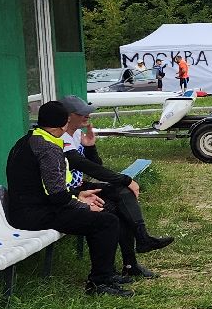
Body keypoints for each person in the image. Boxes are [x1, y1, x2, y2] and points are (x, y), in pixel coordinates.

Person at [1, 101, 132, 297]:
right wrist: (82, 206)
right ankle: (99, 283)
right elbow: (56, 195)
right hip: (33, 215)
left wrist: (78, 196)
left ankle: (107, 274)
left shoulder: (30, 139)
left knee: (106, 213)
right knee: (106, 221)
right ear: (63, 125)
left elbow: (48, 189)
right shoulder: (47, 148)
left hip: (29, 209)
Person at [57, 95, 175, 279]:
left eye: (88, 111)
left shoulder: (77, 134)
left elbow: (95, 163)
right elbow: (83, 165)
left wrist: (90, 146)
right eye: (82, 112)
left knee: (123, 194)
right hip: (68, 190)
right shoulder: (61, 137)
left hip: (80, 184)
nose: (88, 115)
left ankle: (138, 247)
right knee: (116, 208)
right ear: (67, 116)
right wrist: (125, 179)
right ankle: (122, 264)